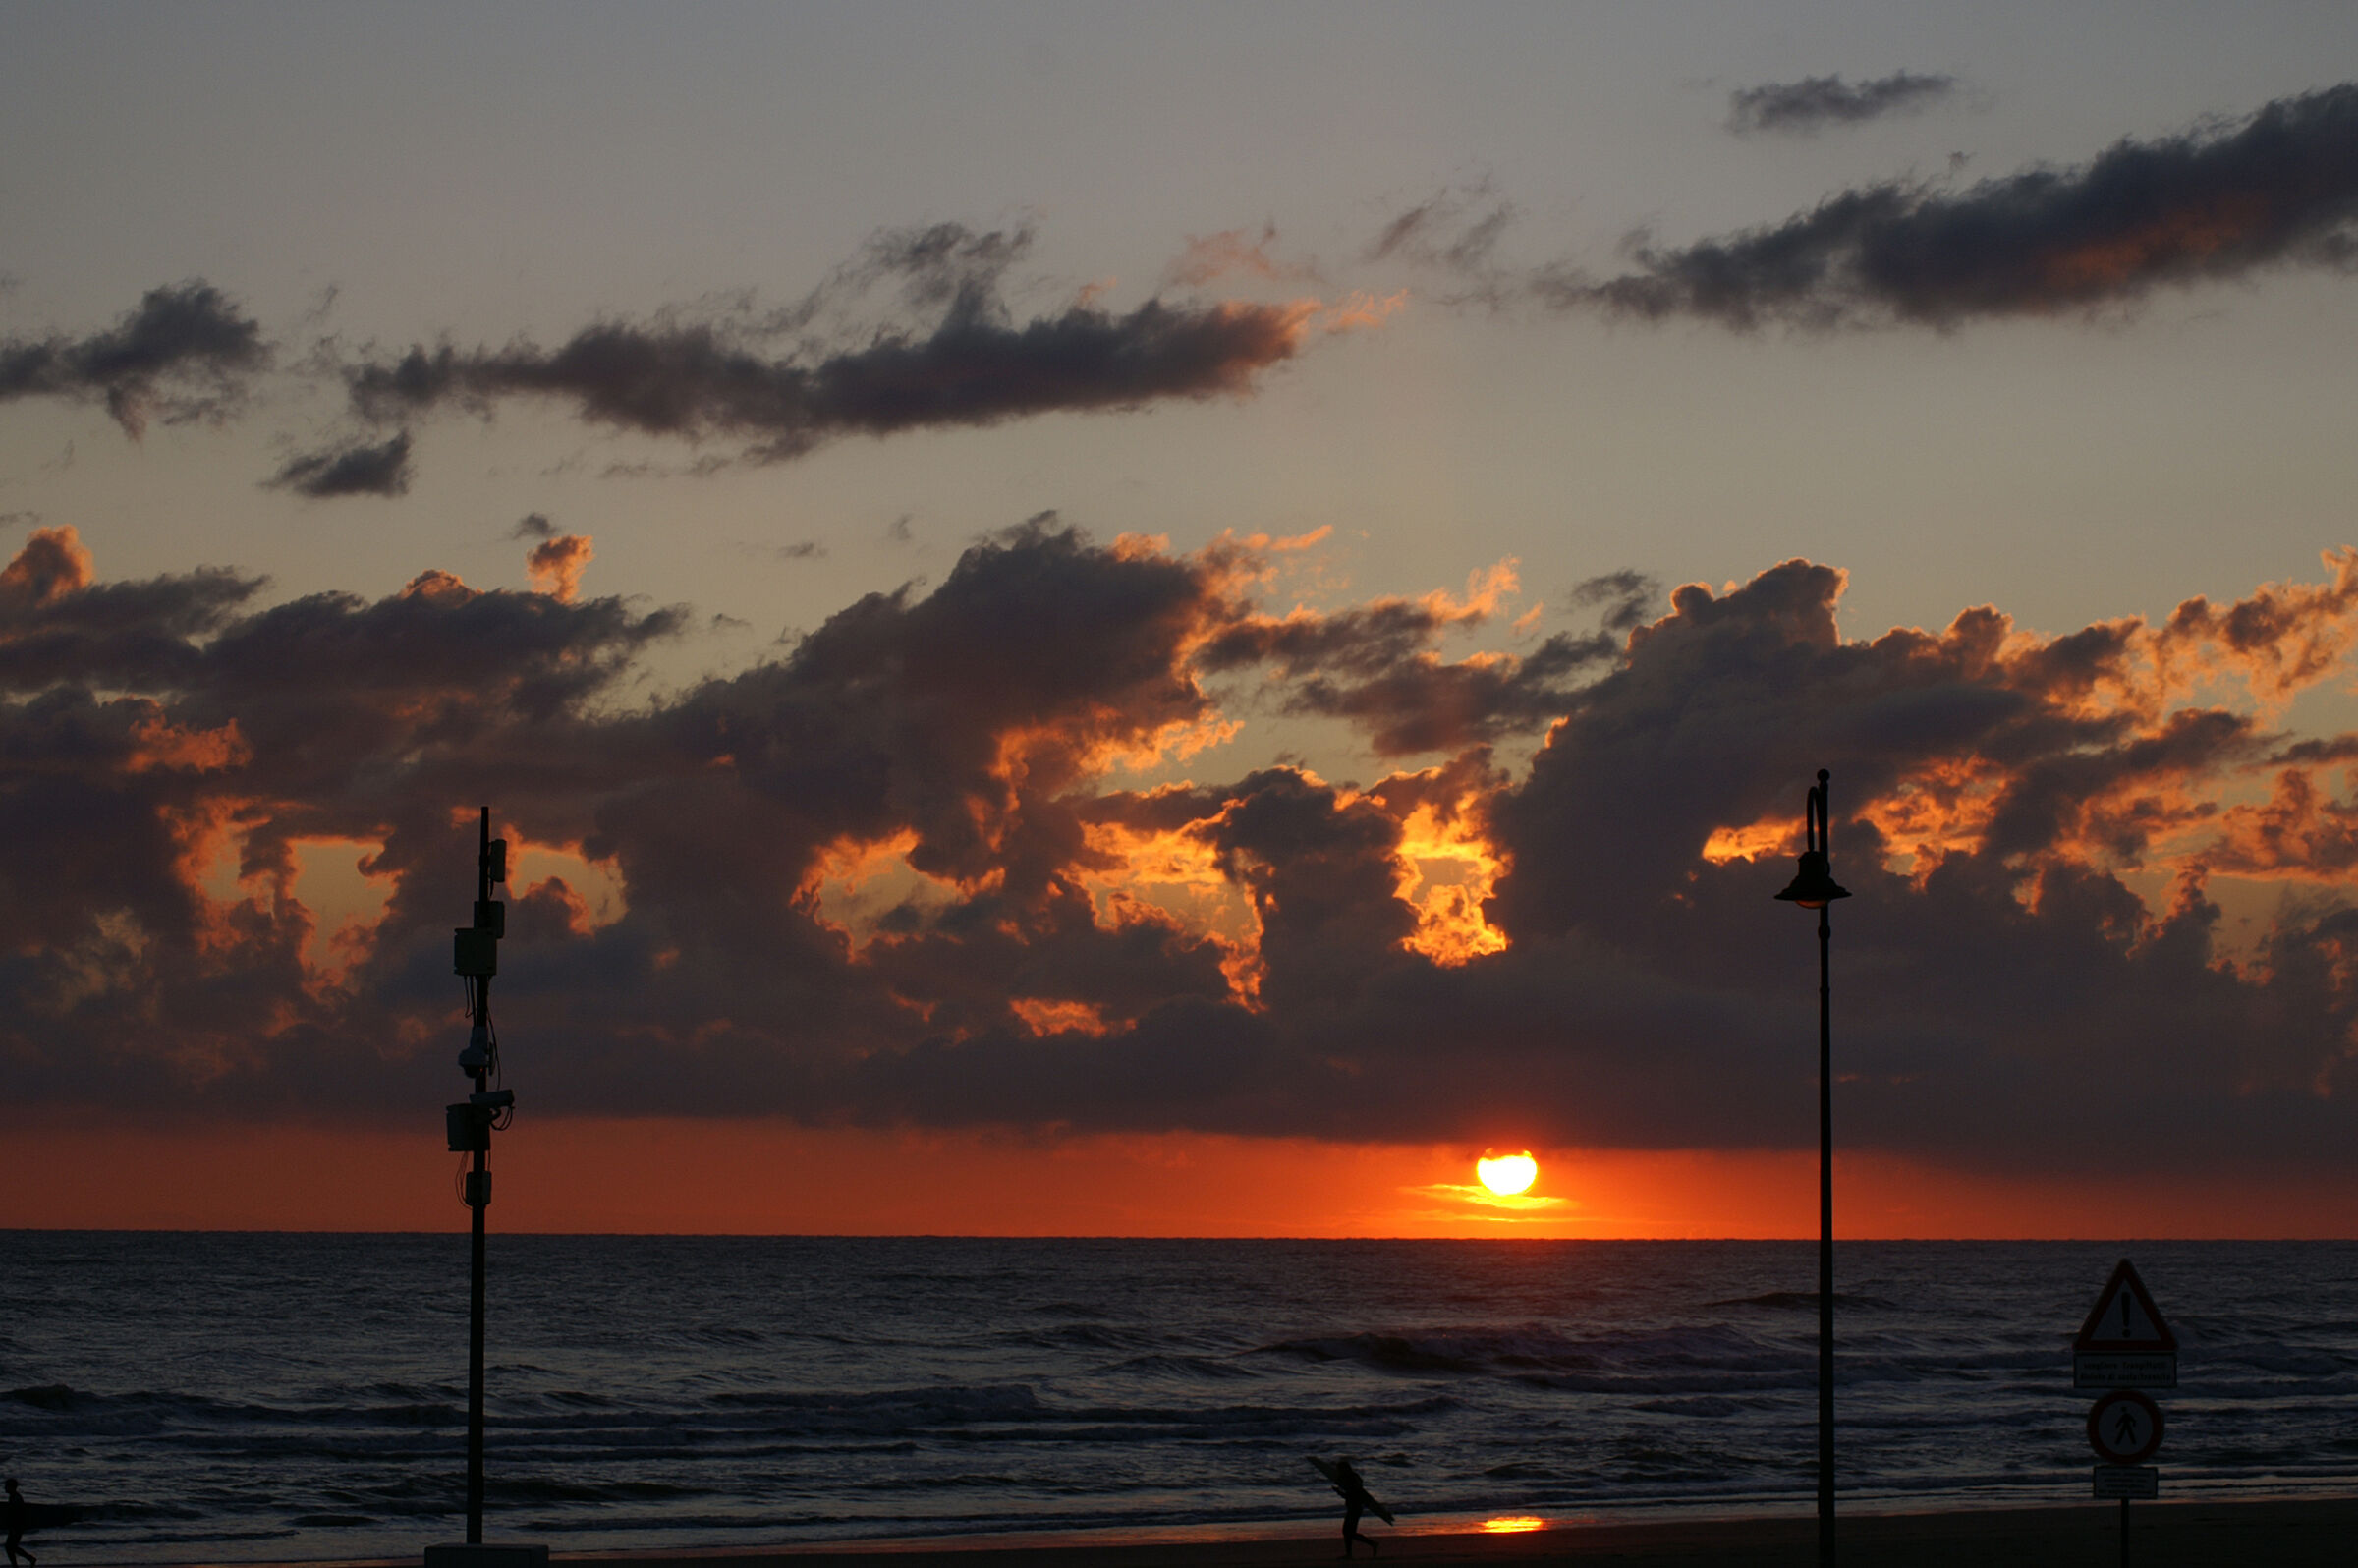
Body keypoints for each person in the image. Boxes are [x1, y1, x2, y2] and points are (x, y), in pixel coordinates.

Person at [1329, 1457, 1379, 1559]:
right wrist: (1340, 1492)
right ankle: (1351, 1553)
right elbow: (1352, 1494)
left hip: (1355, 1508)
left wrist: (1339, 1492)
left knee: (1348, 1532)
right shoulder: (1354, 1478)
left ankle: (1371, 1544)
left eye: (1340, 1470)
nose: (1339, 1472)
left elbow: (1352, 1495)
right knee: (1348, 1532)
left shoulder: (1351, 1479)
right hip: (1354, 1508)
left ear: (1345, 1469)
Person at [4, 1477, 33, 1568]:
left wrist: (14, 1527)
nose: (4, 1488)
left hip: (17, 1526)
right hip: (16, 1526)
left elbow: (16, 1514)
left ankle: (18, 1564)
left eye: (6, 1486)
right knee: (11, 1547)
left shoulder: (16, 1498)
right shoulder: (13, 1497)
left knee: (10, 1547)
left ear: (11, 1487)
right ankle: (29, 1559)